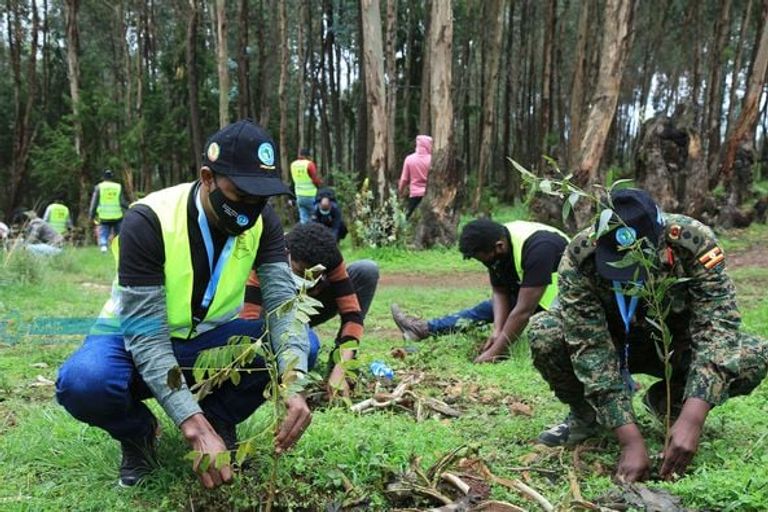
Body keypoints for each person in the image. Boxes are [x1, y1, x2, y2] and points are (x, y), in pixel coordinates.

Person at [56, 119, 313, 489]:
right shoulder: (148, 220)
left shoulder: (262, 222)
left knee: (301, 344)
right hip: (131, 342)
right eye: (240, 196)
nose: (250, 211)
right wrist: (188, 422)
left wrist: (293, 382)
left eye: (261, 199)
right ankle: (138, 434)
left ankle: (219, 418)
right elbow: (147, 339)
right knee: (84, 382)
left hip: (208, 341)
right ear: (207, 177)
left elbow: (282, 308)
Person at [529, 189, 768, 483]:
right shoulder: (580, 257)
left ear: (659, 237)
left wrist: (694, 417)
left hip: (674, 347)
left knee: (754, 356)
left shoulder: (693, 242)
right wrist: (629, 440)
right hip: (615, 346)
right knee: (546, 333)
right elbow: (590, 348)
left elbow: (718, 329)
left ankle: (671, 403)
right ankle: (586, 415)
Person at [391, 218, 569, 363]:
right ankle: (423, 329)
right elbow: (500, 291)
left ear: (499, 247)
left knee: (525, 320)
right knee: (485, 309)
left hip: (567, 294)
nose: (486, 265)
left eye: (484, 260)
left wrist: (495, 352)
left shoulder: (539, 248)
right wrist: (498, 330)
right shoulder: (498, 240)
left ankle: (423, 329)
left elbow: (523, 311)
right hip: (535, 284)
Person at [242, 222, 379, 397]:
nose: (307, 277)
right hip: (272, 313)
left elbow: (352, 316)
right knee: (309, 348)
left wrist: (341, 368)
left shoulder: (330, 257)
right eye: (300, 271)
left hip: (310, 307)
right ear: (288, 254)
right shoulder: (271, 253)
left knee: (366, 270)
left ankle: (335, 360)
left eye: (314, 273)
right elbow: (248, 318)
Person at [89, 169, 129, 252]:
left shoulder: (99, 187)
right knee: (118, 234)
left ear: (103, 177)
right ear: (112, 177)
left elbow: (94, 203)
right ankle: (119, 248)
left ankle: (103, 246)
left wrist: (91, 215)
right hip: (117, 215)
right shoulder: (118, 187)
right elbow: (122, 202)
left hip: (104, 216)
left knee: (103, 232)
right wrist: (130, 207)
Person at [398, 135, 432, 219]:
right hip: (429, 194)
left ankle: (401, 230)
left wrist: (400, 191)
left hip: (414, 194)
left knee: (406, 216)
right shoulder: (432, 160)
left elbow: (404, 179)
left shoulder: (409, 159)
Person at [290, 148, 322, 224]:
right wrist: (320, 185)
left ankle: (303, 234)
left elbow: (294, 180)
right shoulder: (309, 164)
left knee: (303, 219)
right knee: (315, 218)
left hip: (299, 195)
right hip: (311, 195)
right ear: (308, 156)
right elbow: (315, 179)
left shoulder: (293, 165)